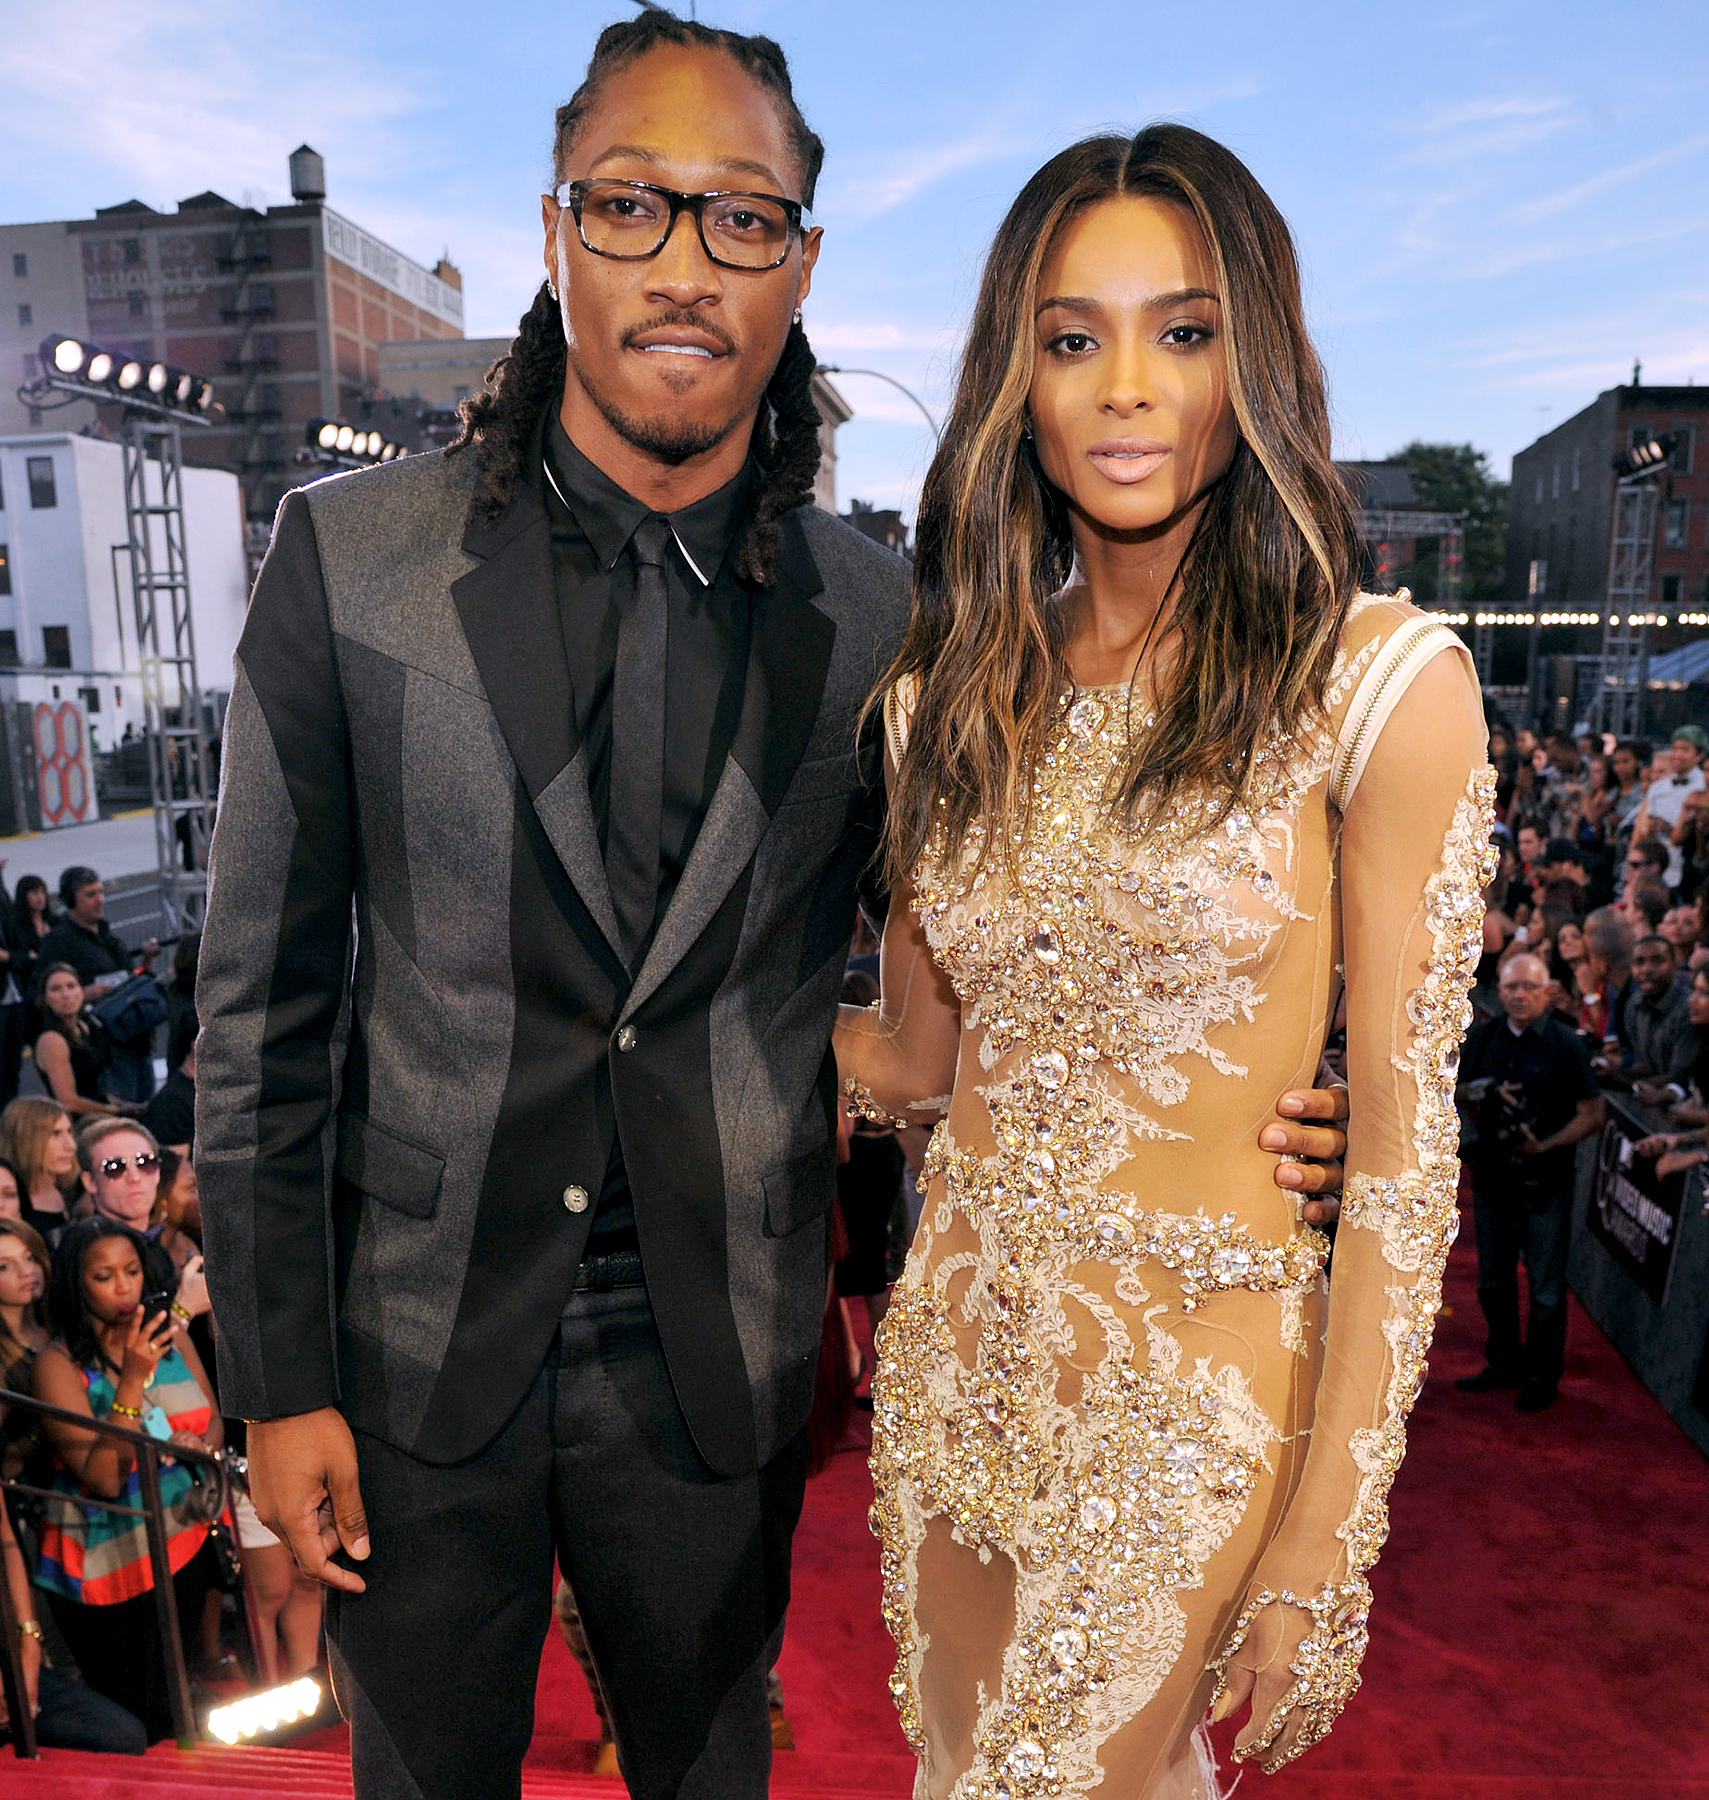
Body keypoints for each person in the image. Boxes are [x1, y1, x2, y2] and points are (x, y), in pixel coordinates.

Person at [194, 22, 1351, 1800]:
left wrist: (1249, 1095)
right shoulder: (351, 559)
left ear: (801, 259)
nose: (681, 263)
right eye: (633, 207)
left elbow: (1018, 935)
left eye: (738, 218)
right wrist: (275, 1387)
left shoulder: (880, 611)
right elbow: (257, 1016)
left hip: (715, 1355)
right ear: (556, 231)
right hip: (412, 1353)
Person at [835, 125, 1488, 1796]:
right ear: (1015, 381)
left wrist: (1322, 1541)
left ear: (1249, 358)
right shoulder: (942, 701)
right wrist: (623, 1029)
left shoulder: (1374, 687)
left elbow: (1402, 1179)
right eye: (1071, 338)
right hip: (956, 1375)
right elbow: (910, 1066)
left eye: (1180, 331)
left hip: (1185, 1402)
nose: (1125, 385)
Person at [30, 1217, 222, 1742]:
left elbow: (212, 1421)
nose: (123, 1286)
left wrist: (197, 1446)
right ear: (76, 1282)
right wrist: (133, 1380)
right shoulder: (57, 1364)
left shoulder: (168, 1336)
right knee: (139, 1725)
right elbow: (104, 1478)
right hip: (107, 1566)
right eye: (104, 1275)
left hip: (182, 1541)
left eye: (132, 1270)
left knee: (182, 1711)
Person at [1455, 954, 1603, 1411]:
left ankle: (1541, 1376)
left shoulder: (1566, 1044)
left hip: (1547, 1181)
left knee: (1544, 1289)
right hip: (1493, 1177)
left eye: (1528, 987)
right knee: (1493, 1283)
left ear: (1546, 991)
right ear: (1499, 991)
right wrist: (1482, 1094)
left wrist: (1547, 1143)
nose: (1519, 995)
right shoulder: (1482, 1038)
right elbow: (1453, 1090)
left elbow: (1593, 1114)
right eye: (1511, 987)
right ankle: (1502, 1363)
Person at [36, 869, 159, 1106]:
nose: (100, 899)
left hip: (137, 1039)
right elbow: (41, 988)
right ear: (71, 900)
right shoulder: (58, 941)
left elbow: (128, 979)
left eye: (101, 892)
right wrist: (82, 992)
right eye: (90, 894)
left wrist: (146, 962)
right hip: (108, 1050)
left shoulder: (107, 935)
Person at [32, 963, 123, 1120]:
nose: (66, 995)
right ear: (45, 999)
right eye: (56, 989)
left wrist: (121, 1105)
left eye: (71, 986)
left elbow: (92, 1087)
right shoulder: (52, 1040)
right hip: (78, 1123)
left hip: (100, 1113)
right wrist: (114, 1112)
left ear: (81, 991)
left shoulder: (85, 1026)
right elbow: (68, 1101)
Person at [1632, 725, 1707, 891]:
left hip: (1688, 870)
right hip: (1654, 870)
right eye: (1674, 748)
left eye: (1685, 749)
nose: (1677, 754)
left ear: (1699, 754)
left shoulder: (1703, 786)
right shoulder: (1658, 787)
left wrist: (1669, 829)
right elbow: (1642, 830)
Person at [0, 1098, 80, 1241]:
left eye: (69, 1131)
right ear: (25, 1139)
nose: (71, 1145)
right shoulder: (11, 1205)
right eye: (55, 1133)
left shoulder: (75, 1190)